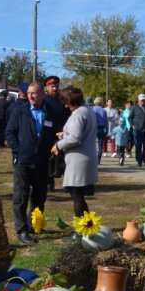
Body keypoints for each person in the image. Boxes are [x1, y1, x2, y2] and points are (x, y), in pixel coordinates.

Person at [5, 82, 59, 245]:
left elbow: (56, 132)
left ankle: (34, 225)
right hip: (23, 161)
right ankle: (21, 230)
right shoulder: (20, 111)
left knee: (39, 196)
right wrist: (18, 150)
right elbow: (9, 132)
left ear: (42, 94)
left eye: (34, 93)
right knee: (21, 195)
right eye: (29, 93)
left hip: (42, 161)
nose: (30, 96)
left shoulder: (50, 113)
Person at [52, 86, 98, 220]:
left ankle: (81, 229)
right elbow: (80, 132)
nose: (66, 106)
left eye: (67, 102)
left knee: (76, 194)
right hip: (86, 155)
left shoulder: (78, 114)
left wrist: (58, 145)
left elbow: (75, 138)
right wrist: (65, 133)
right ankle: (87, 225)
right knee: (78, 195)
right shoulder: (87, 110)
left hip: (78, 159)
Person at [43, 76, 69, 192]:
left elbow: (67, 116)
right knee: (49, 160)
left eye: (56, 86)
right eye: (52, 86)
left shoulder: (62, 100)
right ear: (47, 87)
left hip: (62, 134)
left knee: (64, 159)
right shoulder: (44, 101)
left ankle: (68, 183)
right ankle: (49, 182)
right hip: (48, 134)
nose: (54, 88)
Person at [130, 94, 145, 167]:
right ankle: (139, 161)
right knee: (138, 145)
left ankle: (143, 157)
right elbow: (130, 118)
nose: (142, 101)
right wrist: (133, 125)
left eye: (144, 100)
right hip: (137, 129)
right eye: (141, 100)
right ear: (138, 100)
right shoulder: (134, 107)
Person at [92, 97, 108, 164]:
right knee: (100, 144)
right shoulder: (103, 110)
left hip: (94, 127)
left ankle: (93, 157)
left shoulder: (92, 109)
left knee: (93, 144)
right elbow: (106, 121)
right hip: (101, 128)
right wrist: (106, 130)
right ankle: (99, 158)